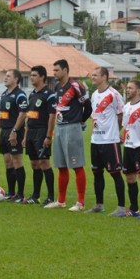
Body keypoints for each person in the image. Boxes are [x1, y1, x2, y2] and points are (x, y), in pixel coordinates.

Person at [44, 59, 91, 210]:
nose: (54, 73)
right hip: (59, 128)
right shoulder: (57, 86)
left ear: (65, 70)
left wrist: (79, 121)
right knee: (61, 165)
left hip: (72, 128)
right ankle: (61, 201)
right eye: (53, 70)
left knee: (76, 165)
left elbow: (88, 107)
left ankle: (80, 202)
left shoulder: (76, 86)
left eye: (57, 70)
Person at [88, 66, 126, 215]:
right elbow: (94, 117)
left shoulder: (114, 94)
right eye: (92, 75)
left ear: (104, 77)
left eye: (95, 75)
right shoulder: (94, 95)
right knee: (97, 173)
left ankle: (121, 207)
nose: (92, 77)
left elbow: (121, 114)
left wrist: (115, 131)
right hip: (95, 140)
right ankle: (99, 204)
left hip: (110, 141)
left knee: (116, 174)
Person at [23, 65, 56, 205]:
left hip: (42, 131)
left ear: (42, 77)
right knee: (34, 163)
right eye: (31, 75)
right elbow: (29, 116)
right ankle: (35, 196)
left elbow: (52, 116)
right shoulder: (32, 94)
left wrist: (48, 136)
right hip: (31, 131)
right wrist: (25, 136)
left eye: (34, 75)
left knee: (44, 162)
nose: (31, 78)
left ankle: (51, 197)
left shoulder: (49, 94)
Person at [0, 69, 29, 202]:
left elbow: (23, 114)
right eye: (5, 76)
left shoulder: (20, 95)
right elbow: (2, 114)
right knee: (7, 162)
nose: (5, 78)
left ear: (16, 79)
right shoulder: (4, 94)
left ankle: (20, 194)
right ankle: (11, 193)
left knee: (17, 161)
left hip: (14, 132)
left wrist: (15, 131)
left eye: (8, 76)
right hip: (4, 132)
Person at [121, 80, 140, 217]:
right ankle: (134, 208)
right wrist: (124, 139)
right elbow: (126, 126)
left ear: (138, 91)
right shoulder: (126, 107)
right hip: (128, 146)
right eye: (128, 88)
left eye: (131, 88)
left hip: (139, 146)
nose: (128, 90)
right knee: (129, 178)